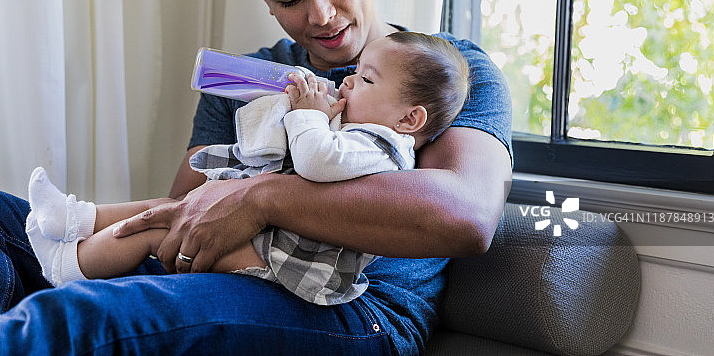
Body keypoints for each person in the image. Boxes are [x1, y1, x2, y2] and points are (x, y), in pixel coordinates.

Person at [0, 0, 512, 355]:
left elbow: (467, 215)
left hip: (354, 308)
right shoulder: (247, 80)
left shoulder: (446, 73)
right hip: (227, 274)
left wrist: (264, 198)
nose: (322, 14)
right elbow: (190, 222)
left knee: (75, 316)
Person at [25, 31, 470, 308]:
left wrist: (309, 114)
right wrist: (290, 103)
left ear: (410, 120)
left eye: (367, 80)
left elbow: (315, 160)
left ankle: (68, 266)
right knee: (165, 207)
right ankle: (70, 217)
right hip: (272, 241)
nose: (349, 80)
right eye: (355, 73)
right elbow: (269, 149)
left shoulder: (384, 148)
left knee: (161, 228)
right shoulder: (354, 129)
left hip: (289, 266)